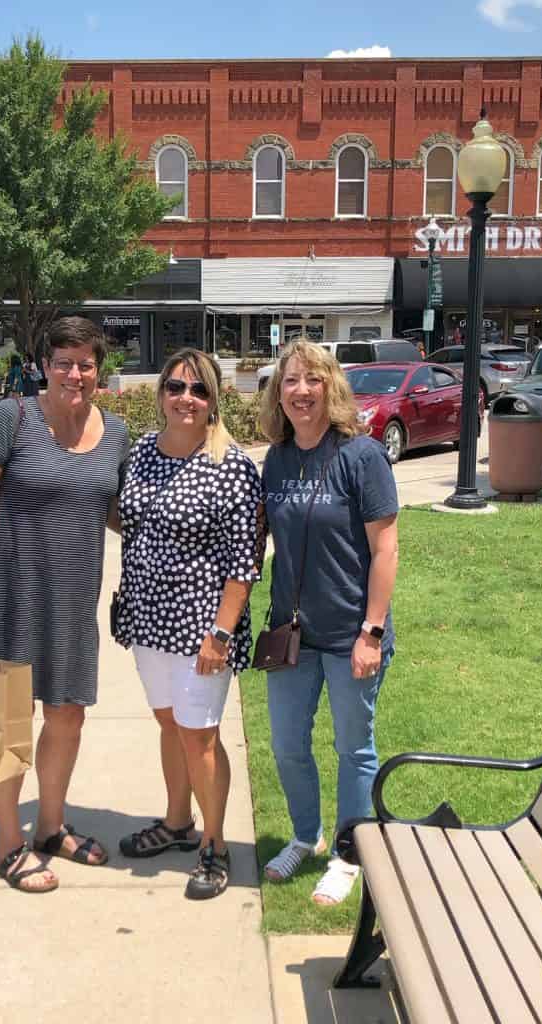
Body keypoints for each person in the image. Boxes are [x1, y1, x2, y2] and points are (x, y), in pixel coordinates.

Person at [0, 316, 130, 894]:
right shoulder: (13, 417)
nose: (74, 373)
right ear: (44, 366)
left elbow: (119, 515)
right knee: (7, 726)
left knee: (67, 716)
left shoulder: (117, 433)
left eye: (85, 363)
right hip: (7, 597)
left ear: (99, 371)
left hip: (74, 602)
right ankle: (8, 842)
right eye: (63, 362)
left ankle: (50, 826)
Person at [114, 350, 262, 900]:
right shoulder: (143, 453)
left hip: (202, 630)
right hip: (148, 620)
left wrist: (220, 634)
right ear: (160, 394)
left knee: (199, 735)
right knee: (170, 726)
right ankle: (177, 824)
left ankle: (215, 845)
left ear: (214, 400)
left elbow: (244, 563)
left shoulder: (231, 465)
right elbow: (127, 518)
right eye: (175, 387)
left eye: (198, 391)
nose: (186, 399)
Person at [257, 339, 399, 906]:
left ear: (331, 386)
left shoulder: (361, 457)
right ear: (278, 392)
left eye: (312, 379)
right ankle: (305, 835)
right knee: (288, 744)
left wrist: (373, 631)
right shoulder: (278, 458)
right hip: (292, 634)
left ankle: (348, 851)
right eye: (290, 380)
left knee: (352, 748)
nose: (300, 391)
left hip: (349, 635)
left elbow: (385, 550)